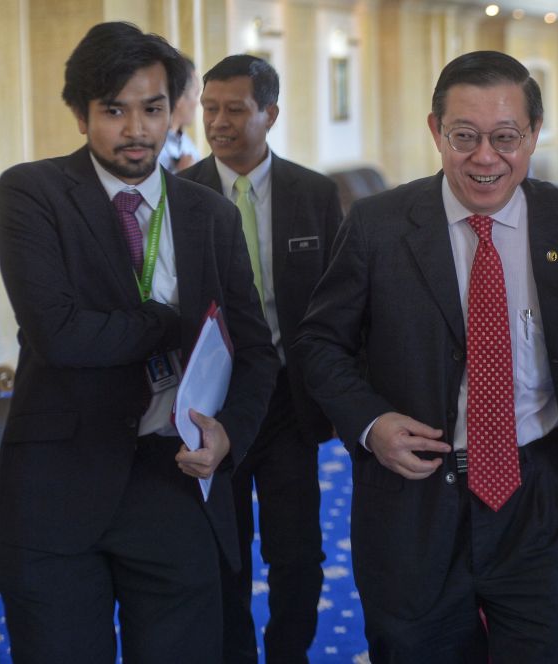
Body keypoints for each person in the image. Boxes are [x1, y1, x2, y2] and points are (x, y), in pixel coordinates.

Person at [293, 50, 558, 663]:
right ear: (436, 131)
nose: (485, 157)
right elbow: (318, 343)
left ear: (534, 135)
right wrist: (370, 423)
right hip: (415, 493)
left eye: (505, 137)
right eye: (464, 136)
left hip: (544, 489)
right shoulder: (377, 226)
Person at [0, 21, 278, 663]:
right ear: (81, 113)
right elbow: (59, 334)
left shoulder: (210, 215)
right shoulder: (32, 193)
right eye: (113, 111)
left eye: (152, 108)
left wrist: (230, 430)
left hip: (173, 482)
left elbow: (254, 349)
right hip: (58, 488)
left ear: (172, 107)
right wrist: (173, 320)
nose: (137, 130)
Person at [181, 54, 342, 664]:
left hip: (287, 403)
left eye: (235, 109)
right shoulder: (183, 195)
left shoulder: (314, 194)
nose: (218, 122)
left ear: (270, 113)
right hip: (211, 407)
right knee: (227, 550)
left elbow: (336, 303)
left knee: (296, 551)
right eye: (209, 108)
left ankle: (288, 653)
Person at [158, 54, 201, 172]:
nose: (197, 103)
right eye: (196, 94)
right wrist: (182, 176)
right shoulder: (150, 146)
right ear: (179, 97)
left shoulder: (189, 146)